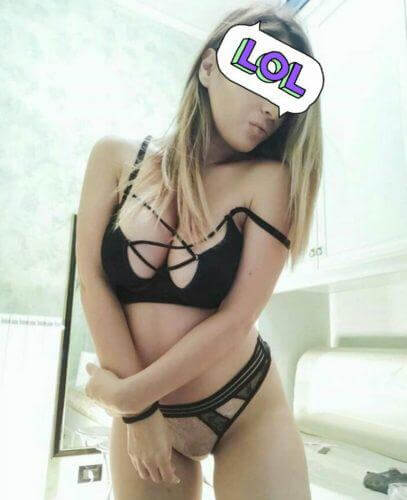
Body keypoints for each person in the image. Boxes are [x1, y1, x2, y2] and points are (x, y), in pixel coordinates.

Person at [77, 2, 321, 499]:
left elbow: (236, 318)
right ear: (209, 67)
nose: (273, 110)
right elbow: (93, 280)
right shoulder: (113, 157)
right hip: (143, 408)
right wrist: (139, 412)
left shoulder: (270, 181)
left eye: (286, 97)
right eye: (263, 80)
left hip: (244, 409)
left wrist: (129, 396)